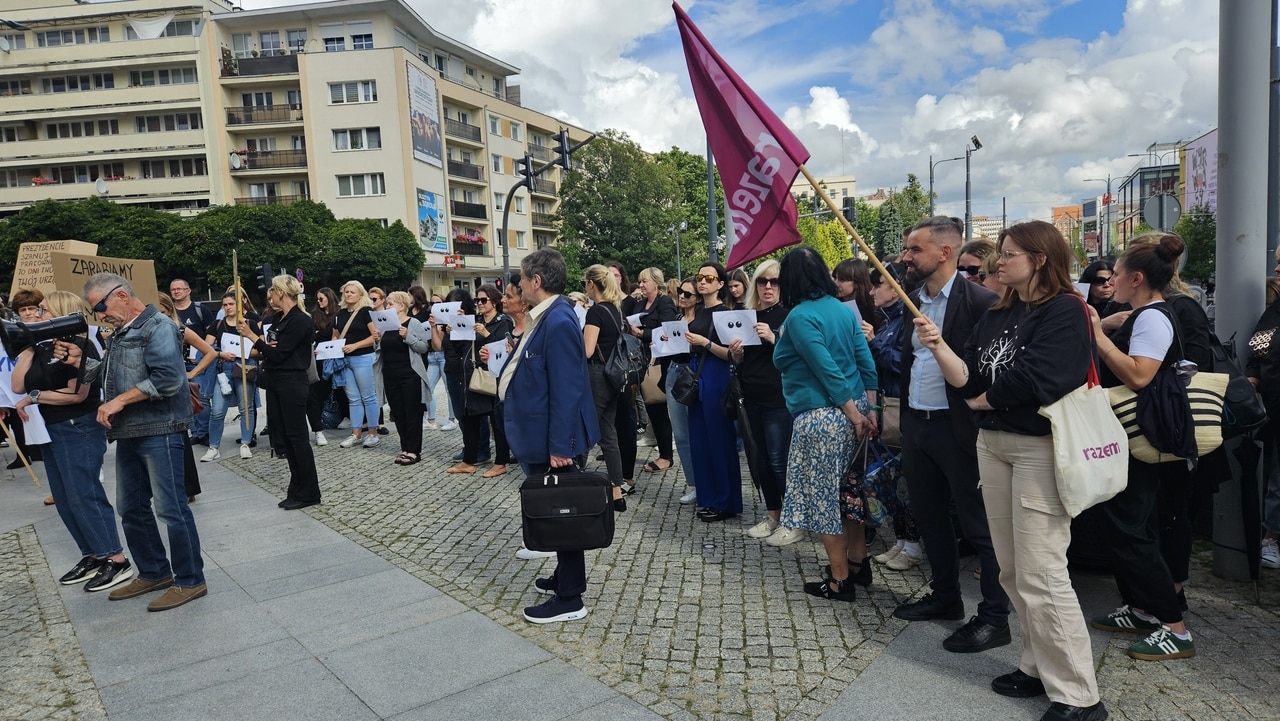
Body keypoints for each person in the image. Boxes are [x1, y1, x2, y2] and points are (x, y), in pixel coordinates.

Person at [912, 220, 1107, 721]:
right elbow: (968, 377)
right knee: (1013, 569)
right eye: (1000, 252)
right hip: (994, 444)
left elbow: (1041, 377)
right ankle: (1038, 665)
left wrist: (985, 400)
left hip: (1039, 447)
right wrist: (937, 346)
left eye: (1010, 253)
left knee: (1042, 571)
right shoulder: (1001, 311)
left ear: (1040, 259)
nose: (999, 261)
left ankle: (1080, 695)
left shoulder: (1066, 309)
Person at [893, 216, 1012, 655]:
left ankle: (995, 618)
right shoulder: (911, 301)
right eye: (906, 248)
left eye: (914, 249)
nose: (905, 257)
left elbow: (991, 370)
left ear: (945, 252)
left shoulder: (981, 302)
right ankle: (945, 597)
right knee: (929, 516)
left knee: (980, 525)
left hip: (959, 429)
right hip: (918, 424)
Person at [57, 273, 207, 611]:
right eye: (94, 310)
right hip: (130, 432)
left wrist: (119, 401)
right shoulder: (123, 331)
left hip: (160, 430)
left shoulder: (159, 326)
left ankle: (190, 580)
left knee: (171, 510)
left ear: (122, 296)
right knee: (131, 508)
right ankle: (154, 572)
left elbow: (168, 379)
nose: (99, 315)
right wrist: (80, 362)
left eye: (100, 306)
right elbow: (113, 375)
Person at [1090, 233, 1198, 663]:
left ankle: (1175, 629)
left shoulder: (1153, 317)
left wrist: (1098, 336)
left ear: (1136, 278)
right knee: (1128, 526)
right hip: (1137, 436)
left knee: (1132, 529)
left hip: (1142, 436)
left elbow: (1139, 375)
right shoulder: (1145, 314)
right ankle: (1141, 608)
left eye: (1115, 274)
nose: (1110, 281)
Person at [500, 248, 601, 623]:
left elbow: (567, 388)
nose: (519, 284)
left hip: (552, 440)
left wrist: (560, 445)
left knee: (563, 514)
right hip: (541, 434)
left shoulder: (557, 320)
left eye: (522, 278)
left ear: (536, 281)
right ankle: (563, 577)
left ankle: (570, 598)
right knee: (557, 510)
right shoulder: (547, 315)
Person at [772, 246, 878, 601]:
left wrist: (854, 414)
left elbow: (826, 370)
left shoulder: (800, 316)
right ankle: (858, 563)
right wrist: (870, 410)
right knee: (849, 493)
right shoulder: (842, 309)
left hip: (824, 417)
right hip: (854, 408)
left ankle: (839, 579)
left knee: (824, 500)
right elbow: (864, 359)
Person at [12, 290, 133, 593]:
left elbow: (77, 394)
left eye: (43, 310)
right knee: (65, 497)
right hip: (51, 428)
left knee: (84, 493)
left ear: (60, 312)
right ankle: (93, 553)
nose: (36, 315)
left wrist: (36, 396)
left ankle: (116, 558)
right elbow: (16, 386)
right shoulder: (42, 348)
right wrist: (27, 350)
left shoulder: (82, 346)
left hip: (77, 426)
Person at [236, 275, 322, 510]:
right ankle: (296, 489)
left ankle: (310, 492)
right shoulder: (276, 319)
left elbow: (278, 353)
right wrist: (264, 344)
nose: (269, 295)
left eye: (272, 290)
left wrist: (252, 336)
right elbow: (270, 350)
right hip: (275, 381)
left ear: (281, 292)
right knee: (283, 437)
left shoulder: (301, 320)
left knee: (297, 437)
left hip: (292, 382)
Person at [729, 260, 796, 544]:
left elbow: (797, 357)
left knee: (780, 460)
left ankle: (793, 519)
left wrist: (774, 338)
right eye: (762, 281)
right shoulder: (748, 315)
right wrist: (736, 354)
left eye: (775, 281)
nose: (768, 286)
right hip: (751, 395)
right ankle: (773, 514)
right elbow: (743, 361)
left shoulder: (790, 315)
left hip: (779, 397)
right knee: (761, 460)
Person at [865, 263, 923, 570]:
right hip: (888, 405)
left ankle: (913, 545)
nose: (872, 292)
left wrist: (874, 343)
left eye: (878, 285)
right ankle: (901, 540)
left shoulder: (907, 319)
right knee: (893, 477)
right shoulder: (889, 320)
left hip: (902, 406)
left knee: (906, 479)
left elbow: (905, 363)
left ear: (896, 288)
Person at [683, 262, 741, 522]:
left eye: (709, 278)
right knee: (699, 440)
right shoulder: (698, 311)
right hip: (697, 373)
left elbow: (731, 354)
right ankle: (707, 497)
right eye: (700, 277)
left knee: (719, 439)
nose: (703, 282)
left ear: (720, 284)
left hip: (716, 375)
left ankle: (726, 501)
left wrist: (705, 342)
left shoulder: (724, 313)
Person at [156, 292, 216, 502]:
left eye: (162, 312)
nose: (159, 317)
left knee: (179, 437)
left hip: (177, 389)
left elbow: (210, 352)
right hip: (156, 388)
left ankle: (188, 489)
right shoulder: (147, 330)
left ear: (169, 311)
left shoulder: (179, 329)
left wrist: (192, 373)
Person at [448, 284, 512, 475]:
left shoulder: (503, 321)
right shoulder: (475, 320)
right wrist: (455, 331)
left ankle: (500, 462)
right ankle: (468, 461)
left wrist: (486, 334)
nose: (480, 303)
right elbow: (461, 349)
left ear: (495, 302)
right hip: (472, 376)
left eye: (484, 300)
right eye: (477, 300)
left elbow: (504, 348)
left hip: (491, 376)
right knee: (470, 418)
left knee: (496, 421)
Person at [582, 264, 628, 495]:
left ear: (592, 284)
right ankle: (617, 488)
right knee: (608, 434)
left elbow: (588, 350)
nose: (585, 288)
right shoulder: (615, 309)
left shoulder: (595, 312)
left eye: (584, 283)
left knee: (582, 428)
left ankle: (572, 480)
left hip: (596, 375)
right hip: (613, 376)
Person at [630, 267, 677, 476]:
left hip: (659, 362)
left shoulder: (664, 302)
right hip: (642, 362)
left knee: (658, 407)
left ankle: (666, 455)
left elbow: (667, 331)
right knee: (652, 408)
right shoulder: (640, 304)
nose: (641, 285)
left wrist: (642, 334)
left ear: (656, 283)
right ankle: (663, 451)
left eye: (644, 281)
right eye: (640, 281)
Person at [202, 291, 260, 462]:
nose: (228, 308)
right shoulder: (217, 324)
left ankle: (245, 443)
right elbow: (206, 347)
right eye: (225, 305)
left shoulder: (250, 323)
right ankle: (213, 447)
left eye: (231, 304)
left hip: (245, 367)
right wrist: (220, 354)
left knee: (246, 407)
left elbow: (260, 348)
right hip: (224, 369)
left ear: (239, 305)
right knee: (217, 410)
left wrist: (243, 351)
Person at [375, 291, 430, 465]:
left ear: (401, 306)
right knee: (398, 413)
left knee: (412, 412)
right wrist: (376, 340)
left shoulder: (413, 323)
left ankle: (414, 451)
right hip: (390, 375)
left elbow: (423, 347)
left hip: (410, 375)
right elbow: (381, 350)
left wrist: (408, 337)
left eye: (390, 303)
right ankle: (405, 447)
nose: (387, 306)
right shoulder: (385, 326)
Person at [1249, 262, 1280, 571]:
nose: (1278, 269)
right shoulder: (1273, 313)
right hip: (1275, 408)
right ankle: (1271, 538)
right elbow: (1257, 351)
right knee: (1276, 478)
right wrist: (1252, 377)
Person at [665, 277, 701, 504]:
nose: (682, 296)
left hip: (692, 372)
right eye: (680, 291)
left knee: (696, 430)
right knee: (680, 433)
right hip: (674, 370)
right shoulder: (678, 318)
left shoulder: (701, 319)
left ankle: (703, 481)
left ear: (698, 299)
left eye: (688, 294)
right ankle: (693, 483)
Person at [333, 281, 381, 449]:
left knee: (368, 396)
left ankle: (373, 433)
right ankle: (356, 433)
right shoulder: (340, 313)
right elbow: (335, 335)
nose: (348, 294)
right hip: (345, 359)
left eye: (352, 292)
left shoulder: (366, 312)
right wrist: (330, 348)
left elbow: (374, 336)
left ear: (361, 294)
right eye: (346, 291)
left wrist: (355, 345)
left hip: (363, 357)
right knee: (353, 398)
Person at [169, 279, 215, 446]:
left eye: (179, 289)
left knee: (201, 397)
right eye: (173, 289)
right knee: (186, 398)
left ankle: (205, 432)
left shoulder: (200, 309)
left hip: (198, 360)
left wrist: (203, 351)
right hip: (177, 360)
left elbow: (212, 332)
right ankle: (195, 432)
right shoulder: (170, 312)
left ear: (188, 291)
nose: (176, 292)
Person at [6, 288, 47, 472]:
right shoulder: (13, 334)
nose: (28, 313)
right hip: (25, 392)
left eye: (32, 308)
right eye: (23, 310)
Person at [421, 292, 457, 432]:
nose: (434, 306)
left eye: (438, 303)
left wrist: (434, 327)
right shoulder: (430, 319)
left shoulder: (445, 321)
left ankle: (452, 419)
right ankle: (431, 420)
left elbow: (439, 344)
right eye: (432, 303)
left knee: (449, 389)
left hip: (443, 355)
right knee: (428, 387)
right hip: (432, 356)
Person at [307, 287, 338, 445]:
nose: (318, 302)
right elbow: (313, 334)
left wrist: (322, 334)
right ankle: (320, 419)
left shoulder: (338, 313)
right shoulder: (315, 315)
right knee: (319, 387)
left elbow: (334, 334)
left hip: (333, 354)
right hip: (319, 355)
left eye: (321, 299)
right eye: (317, 299)